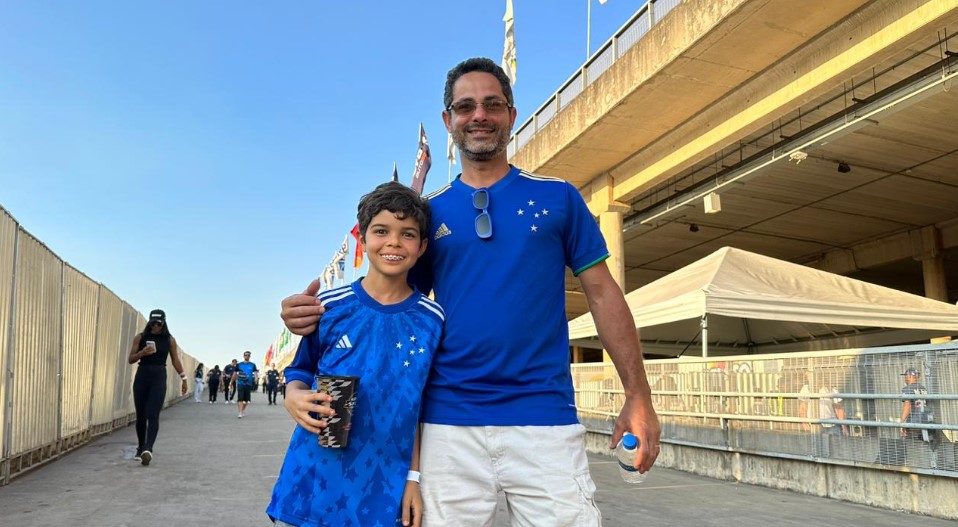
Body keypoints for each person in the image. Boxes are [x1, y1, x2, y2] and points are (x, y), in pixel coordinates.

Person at [280, 57, 660, 526]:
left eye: (491, 104)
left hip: (545, 420)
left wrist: (637, 396)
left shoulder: (558, 197)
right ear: (448, 121)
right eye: (465, 107)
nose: (478, 115)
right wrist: (308, 325)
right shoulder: (425, 216)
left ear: (511, 114)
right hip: (446, 426)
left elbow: (603, 295)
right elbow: (386, 308)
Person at [267, 181, 442, 527]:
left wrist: (414, 478)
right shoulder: (329, 308)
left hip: (385, 491)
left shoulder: (432, 320)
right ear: (362, 240)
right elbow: (300, 371)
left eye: (407, 234)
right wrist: (294, 397)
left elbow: (420, 406)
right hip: (312, 483)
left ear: (422, 247)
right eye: (381, 231)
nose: (393, 242)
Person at [127, 309, 188, 466]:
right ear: (149, 322)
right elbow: (131, 359)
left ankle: (148, 449)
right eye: (153, 322)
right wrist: (142, 353)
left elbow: (175, 360)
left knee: (153, 414)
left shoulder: (169, 340)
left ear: (164, 323)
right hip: (142, 376)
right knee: (141, 415)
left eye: (158, 323)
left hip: (159, 377)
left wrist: (184, 378)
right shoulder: (140, 337)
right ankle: (141, 447)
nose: (155, 326)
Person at [799, 369, 847, 437]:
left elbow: (839, 409)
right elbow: (803, 407)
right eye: (807, 377)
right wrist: (804, 422)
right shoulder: (806, 388)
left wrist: (844, 426)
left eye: (809, 376)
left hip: (831, 425)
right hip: (813, 425)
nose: (808, 379)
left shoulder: (830, 388)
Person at [900, 367, 934, 441]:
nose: (905, 378)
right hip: (926, 419)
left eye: (905, 376)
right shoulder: (923, 388)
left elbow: (907, 406)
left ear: (909, 376)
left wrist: (902, 423)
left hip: (914, 421)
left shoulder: (907, 388)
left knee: (910, 441)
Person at [233, 351, 259, 418]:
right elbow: (235, 373)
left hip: (248, 384)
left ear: (250, 356)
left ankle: (242, 410)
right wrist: (231, 382)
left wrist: (256, 378)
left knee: (247, 400)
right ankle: (240, 412)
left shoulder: (253, 365)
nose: (247, 356)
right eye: (245, 355)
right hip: (240, 383)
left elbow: (255, 373)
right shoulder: (239, 364)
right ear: (243, 356)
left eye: (248, 355)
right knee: (240, 398)